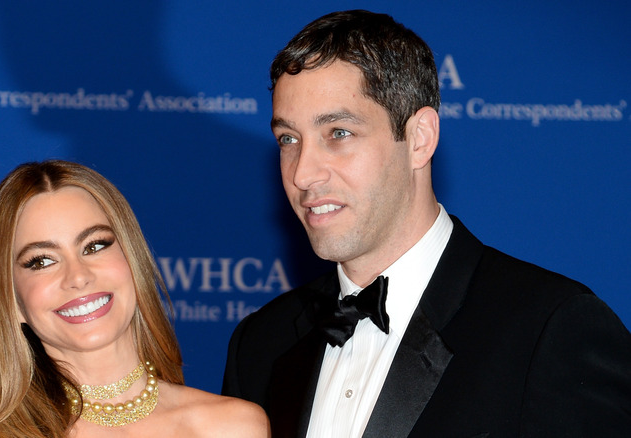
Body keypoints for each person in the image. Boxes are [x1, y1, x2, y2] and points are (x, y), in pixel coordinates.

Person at [222, 10, 631, 438]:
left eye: (338, 133)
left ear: (419, 138)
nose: (303, 173)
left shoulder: (549, 331)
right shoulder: (259, 345)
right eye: (289, 139)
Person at [0, 160, 269, 438]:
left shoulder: (234, 427)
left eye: (94, 246)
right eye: (41, 261)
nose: (78, 276)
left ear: (133, 261)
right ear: (10, 299)